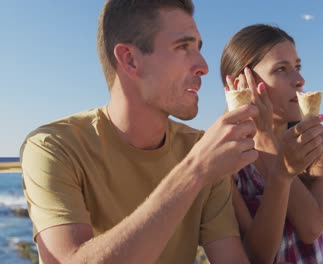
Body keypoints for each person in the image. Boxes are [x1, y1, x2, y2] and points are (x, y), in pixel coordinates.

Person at [20, 1, 256, 263]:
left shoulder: (200, 149)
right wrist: (194, 172)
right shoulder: (54, 147)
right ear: (130, 60)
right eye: (183, 47)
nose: (204, 66)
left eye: (198, 48)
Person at [220, 24, 323, 263]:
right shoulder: (225, 159)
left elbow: (312, 228)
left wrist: (267, 140)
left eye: (297, 66)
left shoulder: (320, 139)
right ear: (243, 83)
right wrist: (263, 138)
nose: (300, 80)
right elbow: (257, 255)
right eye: (281, 69)